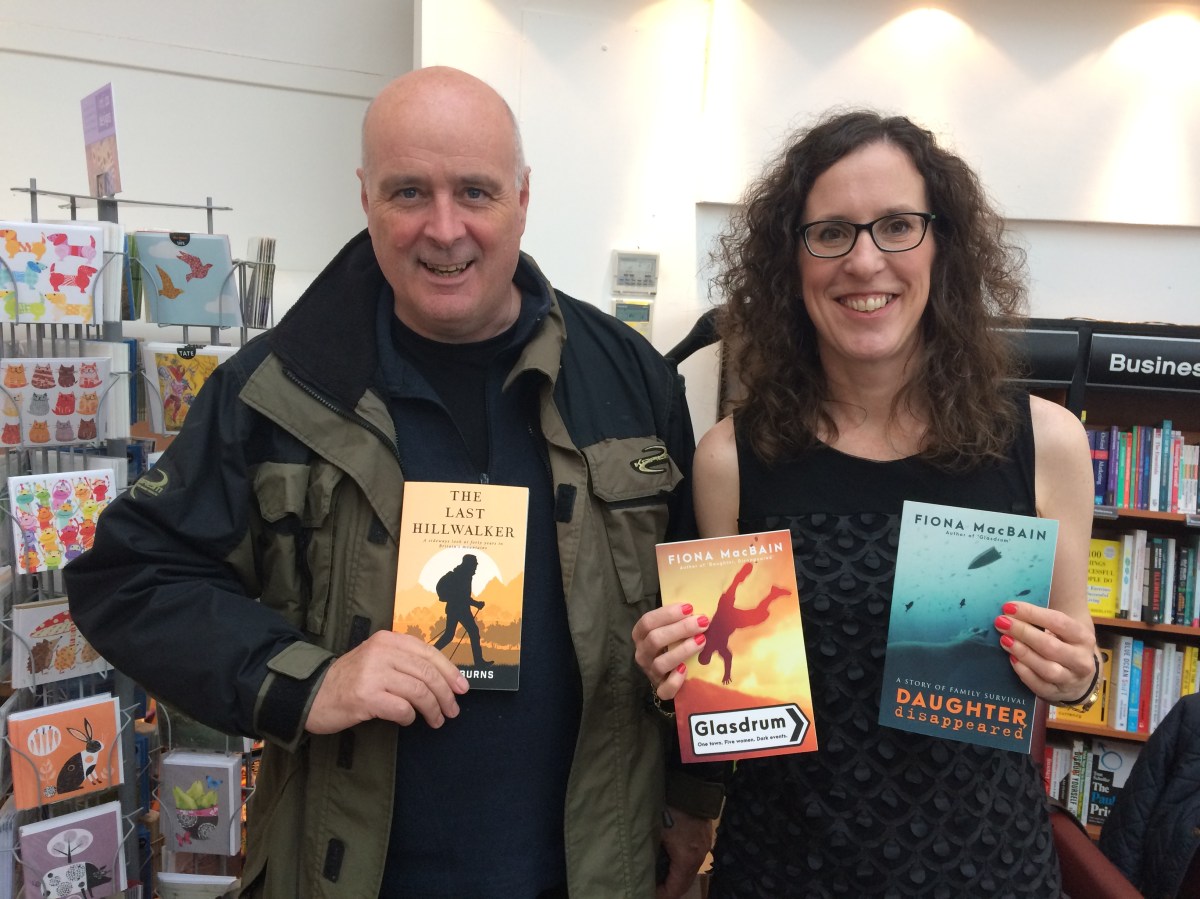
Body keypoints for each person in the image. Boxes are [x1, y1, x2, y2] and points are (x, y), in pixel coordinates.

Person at [66, 66, 721, 899]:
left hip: (591, 873)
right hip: (343, 875)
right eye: (409, 192)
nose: (444, 230)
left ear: (523, 196)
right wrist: (310, 680)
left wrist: (694, 797)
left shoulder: (629, 381)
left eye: (475, 192)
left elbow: (700, 609)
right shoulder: (277, 391)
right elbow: (129, 577)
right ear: (365, 197)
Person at [632, 109, 1099, 897]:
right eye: (831, 233)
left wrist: (1075, 671)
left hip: (985, 873)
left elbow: (1075, 654)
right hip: (782, 873)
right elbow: (728, 700)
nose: (864, 259)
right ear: (791, 261)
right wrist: (673, 670)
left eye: (897, 226)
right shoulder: (730, 459)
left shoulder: (1044, 443)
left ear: (943, 245)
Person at [432, 553, 489, 666]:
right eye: (474, 563)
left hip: (454, 609)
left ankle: (429, 654)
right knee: (473, 632)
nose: (476, 565)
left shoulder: (462, 574)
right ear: (469, 564)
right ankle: (479, 662)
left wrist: (474, 603)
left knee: (449, 635)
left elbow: (462, 596)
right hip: (461, 610)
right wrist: (476, 604)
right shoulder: (463, 576)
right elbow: (463, 597)